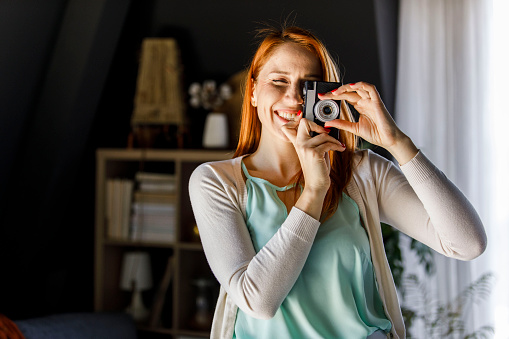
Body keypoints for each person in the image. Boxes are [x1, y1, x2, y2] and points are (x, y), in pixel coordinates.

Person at [189, 26, 487, 339]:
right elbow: (258, 302)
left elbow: (467, 243)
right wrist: (315, 192)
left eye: (307, 86)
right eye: (278, 81)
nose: (292, 96)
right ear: (252, 90)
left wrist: (397, 142)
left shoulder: (361, 173)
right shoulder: (216, 182)